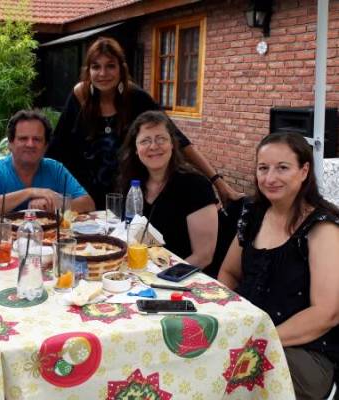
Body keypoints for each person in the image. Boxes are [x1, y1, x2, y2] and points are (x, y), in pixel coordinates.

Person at [48, 36, 242, 209]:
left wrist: (217, 182)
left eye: (110, 65)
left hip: (129, 197)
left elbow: (178, 139)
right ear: (88, 71)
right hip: (85, 200)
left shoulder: (136, 98)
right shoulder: (79, 97)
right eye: (96, 66)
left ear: (121, 69)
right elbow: (56, 148)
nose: (103, 73)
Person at [218, 132, 339, 399]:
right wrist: (224, 318)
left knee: (216, 374)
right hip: (248, 336)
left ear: (304, 170)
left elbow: (327, 313)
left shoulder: (322, 227)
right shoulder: (253, 214)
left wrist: (259, 338)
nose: (270, 178)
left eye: (282, 168)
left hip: (304, 354)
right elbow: (229, 272)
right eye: (263, 168)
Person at [119, 111, 218, 268]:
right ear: (136, 149)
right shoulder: (131, 184)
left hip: (180, 279)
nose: (153, 146)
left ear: (172, 143)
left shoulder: (196, 186)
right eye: (145, 141)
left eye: (161, 139)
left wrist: (161, 277)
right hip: (140, 271)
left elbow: (203, 257)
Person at [0, 109, 95, 216]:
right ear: (10, 143)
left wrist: (55, 203)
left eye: (37, 139)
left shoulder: (55, 169)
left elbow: (88, 204)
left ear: (46, 145)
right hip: (4, 240)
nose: (30, 144)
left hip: (48, 239)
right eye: (23, 138)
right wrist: (30, 192)